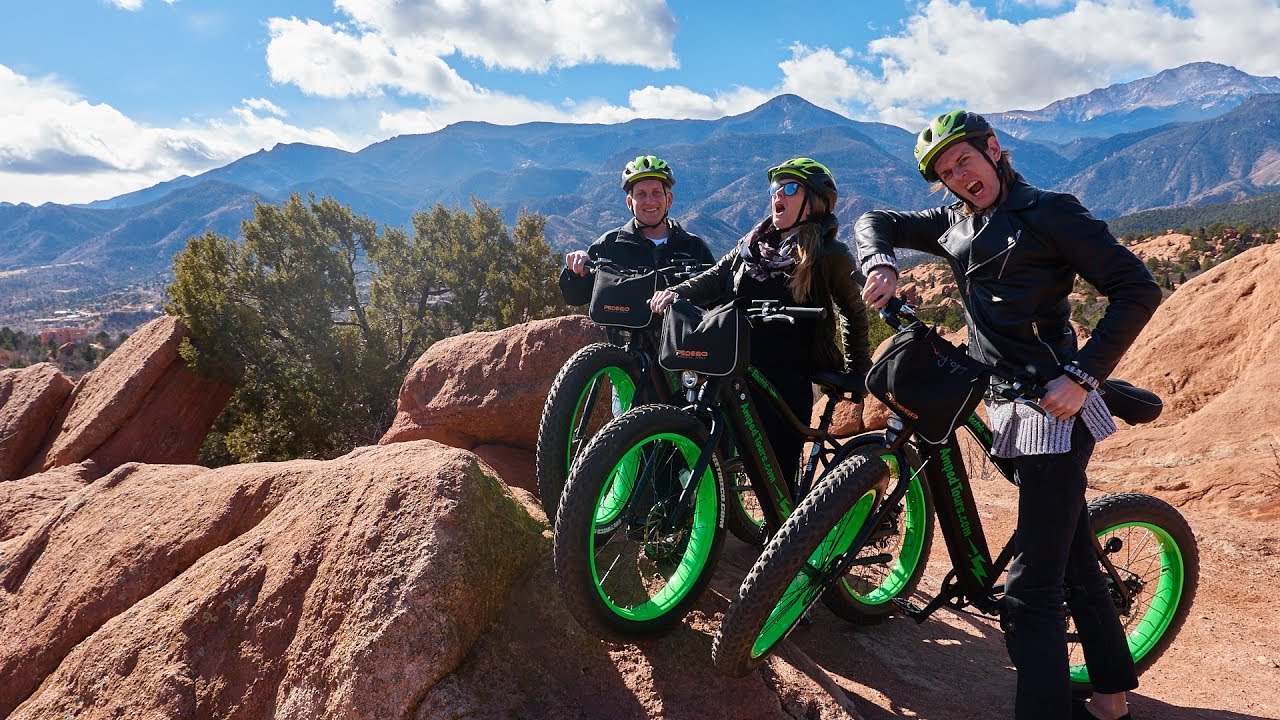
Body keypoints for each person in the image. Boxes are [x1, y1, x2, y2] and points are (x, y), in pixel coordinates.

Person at [855, 110, 1162, 720]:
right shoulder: (954, 222)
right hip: (1002, 406)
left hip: (1052, 413)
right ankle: (1110, 701)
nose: (957, 176)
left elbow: (1138, 288)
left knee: (1029, 593)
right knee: (1072, 557)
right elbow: (874, 221)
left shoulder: (1049, 212)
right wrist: (879, 263)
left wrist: (1082, 375)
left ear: (993, 149)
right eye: (945, 172)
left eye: (963, 159)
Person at [650, 157, 872, 485]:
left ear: (814, 203)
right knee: (700, 433)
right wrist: (676, 293)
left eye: (790, 187)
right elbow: (717, 276)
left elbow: (854, 313)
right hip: (737, 361)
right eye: (775, 187)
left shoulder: (829, 253)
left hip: (788, 374)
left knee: (776, 473)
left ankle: (787, 531)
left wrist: (857, 373)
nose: (778, 194)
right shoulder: (754, 243)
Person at [559, 155, 715, 308]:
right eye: (641, 194)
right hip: (625, 334)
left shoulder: (693, 247)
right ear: (629, 202)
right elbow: (575, 297)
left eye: (656, 193)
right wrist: (576, 269)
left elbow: (716, 298)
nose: (650, 201)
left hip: (680, 333)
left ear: (669, 199)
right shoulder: (610, 245)